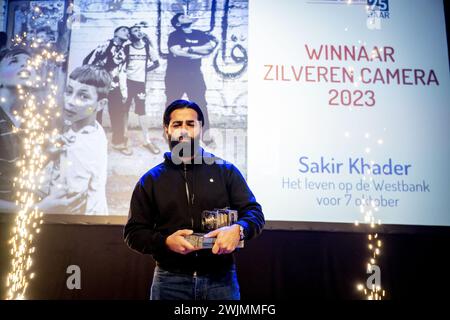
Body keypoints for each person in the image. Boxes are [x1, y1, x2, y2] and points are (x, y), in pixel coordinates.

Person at [124, 99, 264, 300]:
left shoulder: (226, 171)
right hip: (169, 281)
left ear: (201, 128)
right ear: (166, 130)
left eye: (190, 124)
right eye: (177, 125)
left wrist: (238, 229)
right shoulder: (151, 180)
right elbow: (133, 233)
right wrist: (165, 242)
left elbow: (254, 213)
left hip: (221, 280)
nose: (184, 131)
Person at [39, 65, 111, 214]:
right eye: (69, 92)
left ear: (101, 104)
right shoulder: (94, 128)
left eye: (83, 96)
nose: (71, 101)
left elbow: (67, 202)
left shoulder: (80, 146)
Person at [165, 13, 218, 147]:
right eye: (182, 17)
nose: (187, 16)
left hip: (194, 75)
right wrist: (196, 54)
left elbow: (209, 48)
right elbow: (176, 51)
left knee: (201, 106)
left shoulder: (199, 34)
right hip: (174, 75)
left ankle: (206, 137)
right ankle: (170, 135)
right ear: (177, 23)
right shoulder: (174, 35)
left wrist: (189, 49)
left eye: (187, 15)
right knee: (172, 106)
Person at [0, 48, 37, 212]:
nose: (24, 64)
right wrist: (36, 209)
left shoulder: (30, 116)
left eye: (29, 63)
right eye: (14, 61)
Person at [83, 25, 129, 154]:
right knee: (96, 113)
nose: (127, 33)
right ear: (115, 33)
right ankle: (94, 141)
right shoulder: (105, 45)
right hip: (99, 84)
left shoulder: (123, 51)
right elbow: (89, 62)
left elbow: (122, 72)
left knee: (118, 113)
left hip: (114, 86)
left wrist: (123, 90)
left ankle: (118, 142)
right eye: (124, 30)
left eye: (128, 31)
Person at [122, 23, 160, 155]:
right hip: (127, 82)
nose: (138, 32)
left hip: (140, 84)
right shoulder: (127, 48)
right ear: (131, 35)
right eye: (135, 31)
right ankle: (123, 138)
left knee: (141, 111)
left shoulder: (148, 47)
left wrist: (144, 70)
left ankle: (147, 140)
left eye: (139, 30)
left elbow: (156, 63)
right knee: (124, 109)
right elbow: (121, 65)